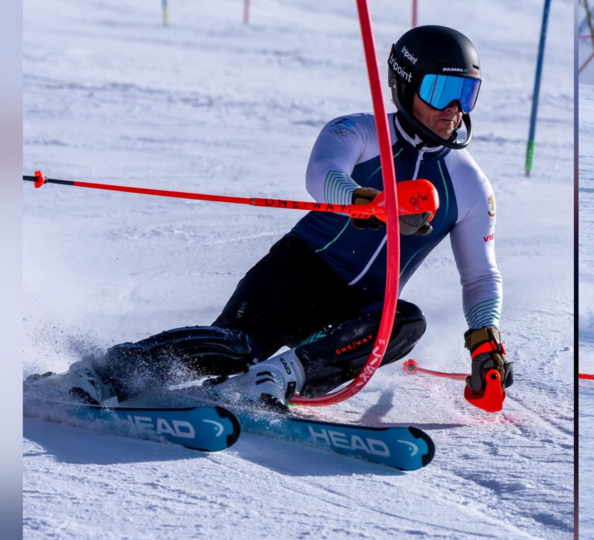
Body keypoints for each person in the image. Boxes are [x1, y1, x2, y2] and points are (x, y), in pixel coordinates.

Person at [27, 25, 512, 411]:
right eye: (442, 89)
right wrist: (366, 200)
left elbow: (480, 274)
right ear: (405, 85)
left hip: (360, 311)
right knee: (233, 346)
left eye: (466, 95)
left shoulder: (468, 183)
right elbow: (321, 174)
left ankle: (271, 382)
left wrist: (484, 339)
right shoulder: (359, 132)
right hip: (297, 273)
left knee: (406, 321)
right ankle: (100, 374)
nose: (453, 110)